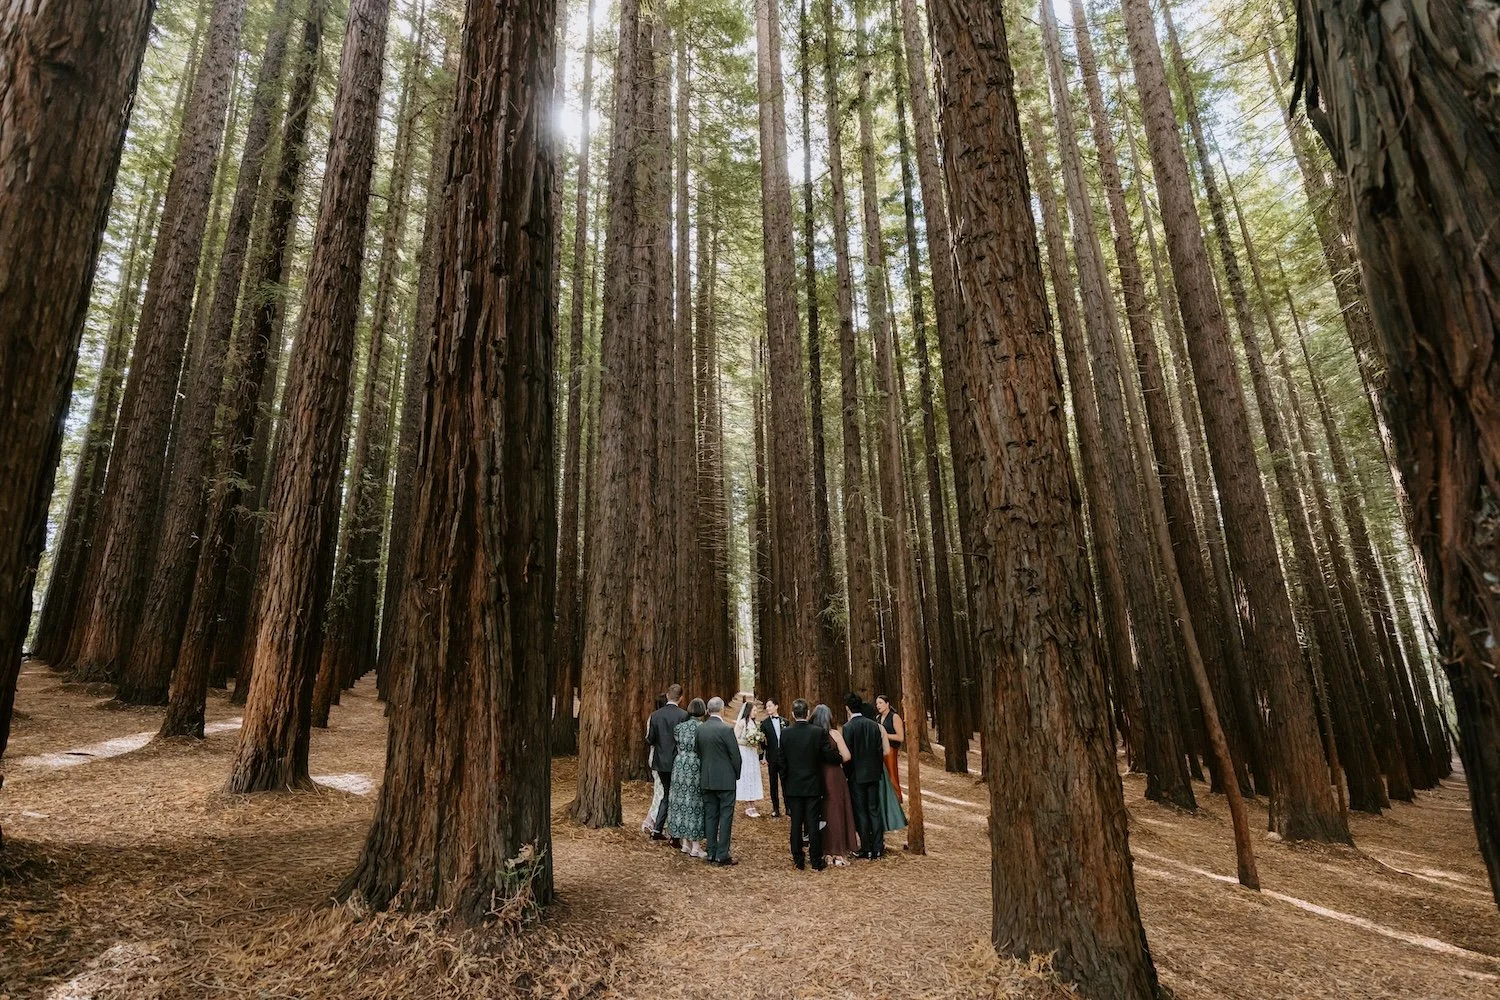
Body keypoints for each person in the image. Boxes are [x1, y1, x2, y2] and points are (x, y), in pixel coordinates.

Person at [780, 698, 843, 870]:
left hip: (793, 786)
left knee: (796, 823)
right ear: (807, 713)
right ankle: (816, 860)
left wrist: (785, 785)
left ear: (793, 714)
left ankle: (798, 859)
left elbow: (782, 763)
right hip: (813, 785)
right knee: (813, 822)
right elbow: (828, 754)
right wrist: (840, 758)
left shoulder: (785, 733)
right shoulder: (817, 732)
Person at [696, 697, 742, 865]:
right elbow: (735, 757)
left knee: (710, 815)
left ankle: (711, 851)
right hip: (725, 780)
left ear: (708, 710)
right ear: (722, 709)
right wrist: (735, 775)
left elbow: (698, 752)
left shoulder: (701, 729)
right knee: (725, 816)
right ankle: (722, 854)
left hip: (707, 779)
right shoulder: (726, 730)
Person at [810, 704, 856, 866]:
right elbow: (847, 756)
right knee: (835, 811)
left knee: (821, 812)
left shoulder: (811, 734)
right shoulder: (834, 734)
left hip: (816, 775)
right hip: (834, 776)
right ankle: (837, 850)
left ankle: (824, 850)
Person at [843, 692, 887, 859]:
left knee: (861, 811)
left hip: (856, 776)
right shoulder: (874, 725)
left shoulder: (848, 727)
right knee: (874, 810)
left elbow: (848, 754)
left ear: (848, 708)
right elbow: (879, 751)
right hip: (874, 774)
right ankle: (877, 847)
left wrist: (847, 775)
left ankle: (866, 847)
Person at [666, 699, 708, 858]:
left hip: (680, 765)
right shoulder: (702, 728)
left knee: (680, 802)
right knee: (695, 803)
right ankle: (696, 846)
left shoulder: (679, 728)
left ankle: (684, 843)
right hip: (695, 765)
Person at [647, 684, 689, 842]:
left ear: (667, 696)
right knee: (677, 797)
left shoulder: (655, 715)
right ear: (681, 697)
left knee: (666, 795)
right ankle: (675, 836)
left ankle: (657, 829)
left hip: (660, 761)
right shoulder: (684, 715)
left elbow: (650, 739)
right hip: (677, 762)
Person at [643, 693, 669, 834]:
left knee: (660, 790)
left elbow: (649, 738)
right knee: (661, 792)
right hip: (660, 758)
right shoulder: (659, 717)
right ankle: (651, 820)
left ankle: (654, 821)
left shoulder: (652, 717)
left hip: (654, 756)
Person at [733, 700, 765, 817]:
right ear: (749, 711)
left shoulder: (754, 723)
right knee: (746, 775)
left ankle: (753, 803)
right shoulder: (742, 723)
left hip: (752, 753)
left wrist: (756, 740)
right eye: (754, 710)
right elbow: (735, 738)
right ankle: (747, 805)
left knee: (753, 775)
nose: (756, 712)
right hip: (745, 753)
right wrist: (747, 741)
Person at [758, 697, 787, 817]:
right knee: (773, 783)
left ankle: (788, 807)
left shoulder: (785, 722)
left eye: (770, 705)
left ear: (776, 706)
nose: (767, 708)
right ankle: (776, 808)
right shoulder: (764, 724)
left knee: (786, 782)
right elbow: (762, 743)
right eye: (767, 706)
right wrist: (762, 757)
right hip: (772, 757)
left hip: (785, 758)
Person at [875, 694, 905, 803]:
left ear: (887, 704)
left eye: (881, 703)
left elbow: (900, 737)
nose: (878, 705)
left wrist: (885, 735)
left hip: (891, 749)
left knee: (892, 774)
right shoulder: (878, 718)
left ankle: (897, 799)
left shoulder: (894, 717)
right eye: (877, 703)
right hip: (880, 750)